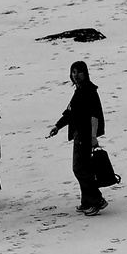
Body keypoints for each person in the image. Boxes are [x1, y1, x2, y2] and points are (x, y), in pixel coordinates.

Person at [49, 61, 107, 216]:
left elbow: (95, 116)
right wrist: (58, 126)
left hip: (85, 135)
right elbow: (70, 112)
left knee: (80, 169)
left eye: (79, 71)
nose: (76, 74)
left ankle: (96, 201)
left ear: (85, 73)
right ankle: (86, 201)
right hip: (79, 134)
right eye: (73, 72)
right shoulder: (79, 91)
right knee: (83, 168)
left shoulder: (89, 90)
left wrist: (93, 136)